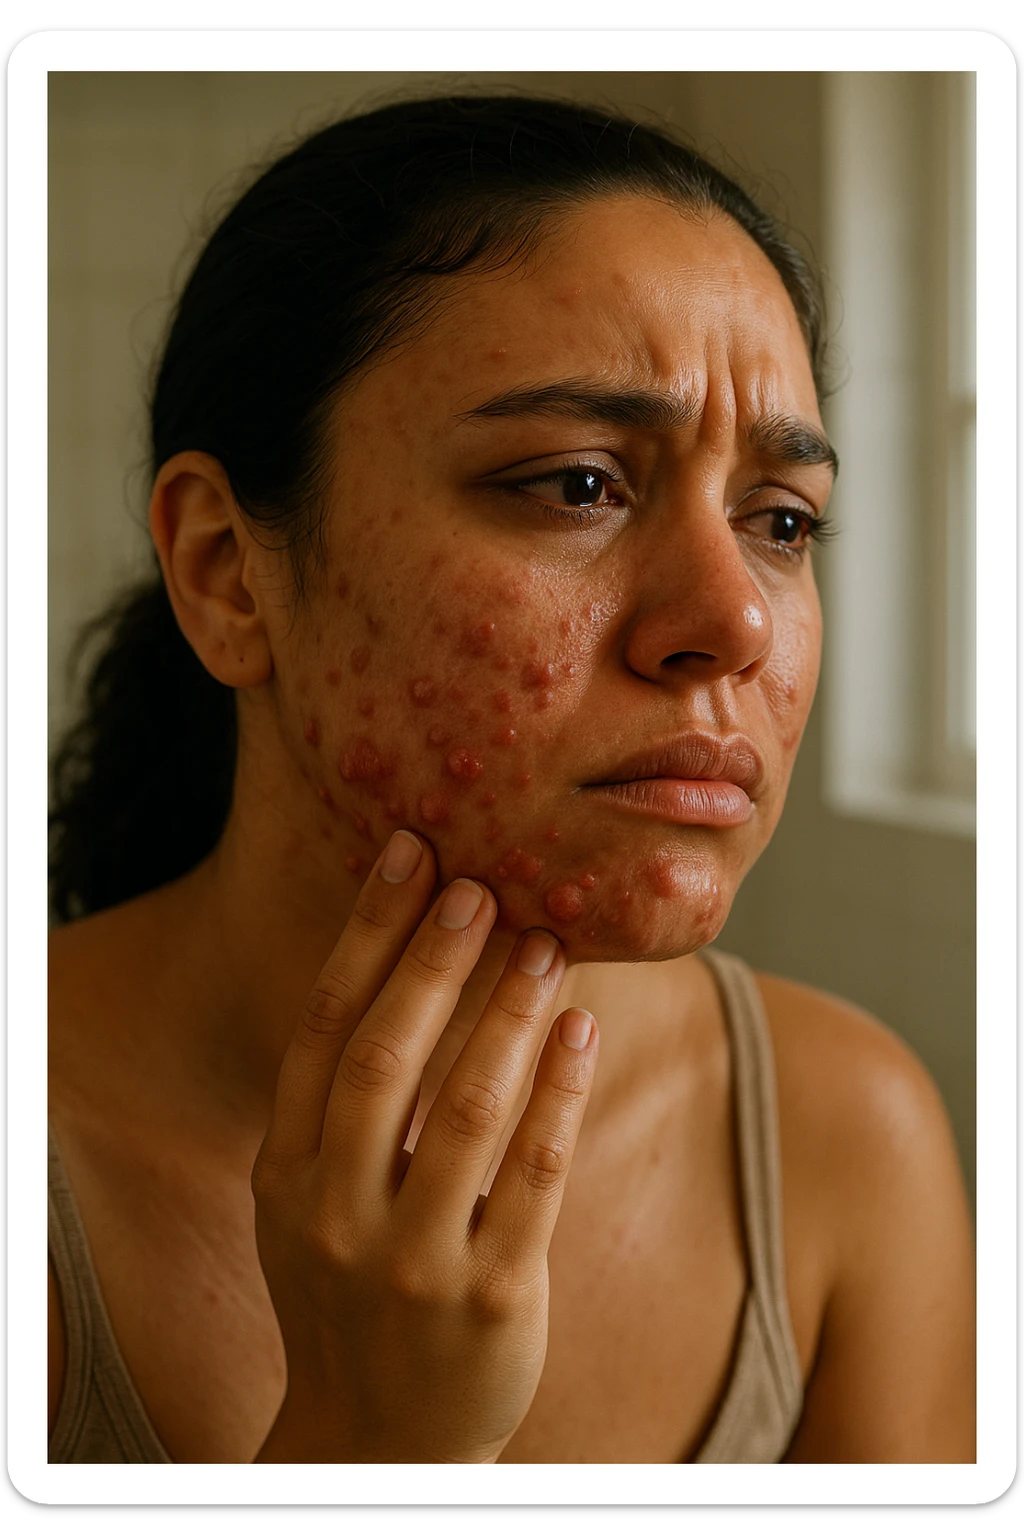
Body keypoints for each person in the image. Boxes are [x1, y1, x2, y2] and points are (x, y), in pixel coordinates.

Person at [47, 93, 975, 1465]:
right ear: (227, 572)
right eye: (576, 485)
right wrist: (368, 1444)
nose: (739, 623)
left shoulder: (846, 1139)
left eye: (780, 521)